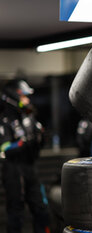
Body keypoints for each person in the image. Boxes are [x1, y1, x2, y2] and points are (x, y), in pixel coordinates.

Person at [0, 79, 50, 233]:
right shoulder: (4, 121)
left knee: (41, 208)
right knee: (16, 211)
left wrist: (40, 138)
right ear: (14, 97)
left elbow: (37, 145)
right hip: (13, 170)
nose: (27, 100)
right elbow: (4, 149)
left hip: (30, 167)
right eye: (24, 97)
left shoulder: (29, 119)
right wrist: (23, 143)